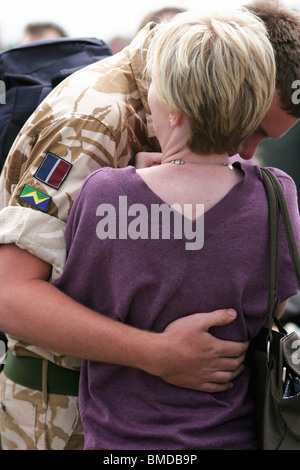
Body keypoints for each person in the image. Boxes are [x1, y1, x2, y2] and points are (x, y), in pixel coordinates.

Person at [0, 0, 299, 450]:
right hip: (62, 414)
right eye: (249, 126)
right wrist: (157, 353)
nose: (246, 153)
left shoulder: (143, 147)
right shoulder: (94, 120)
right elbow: (10, 293)